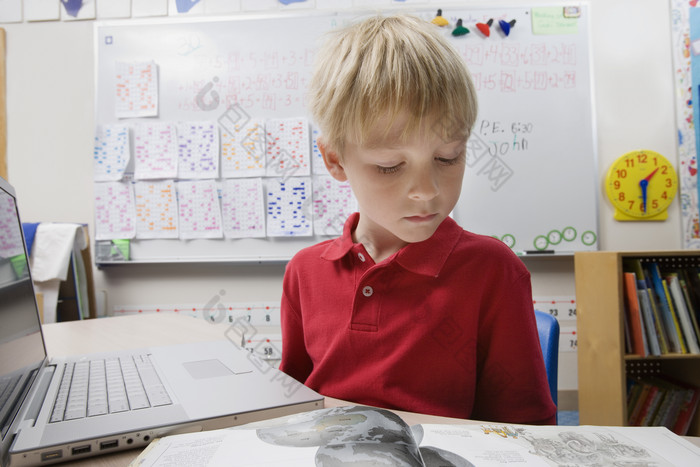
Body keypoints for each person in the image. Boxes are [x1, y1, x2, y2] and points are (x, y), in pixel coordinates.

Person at [279, 14, 556, 425]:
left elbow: (524, 430)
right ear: (335, 159)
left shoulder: (492, 271)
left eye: (448, 157)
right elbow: (293, 407)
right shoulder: (305, 272)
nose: (427, 191)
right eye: (390, 166)